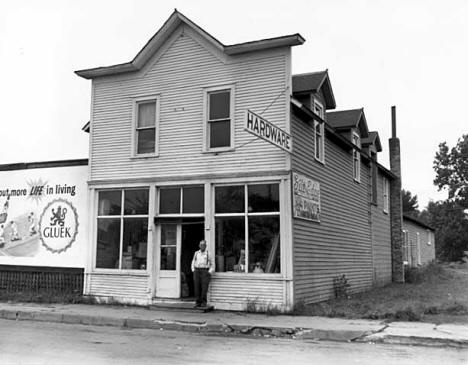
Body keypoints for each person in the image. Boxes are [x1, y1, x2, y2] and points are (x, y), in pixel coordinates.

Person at [191, 240, 214, 308]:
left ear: (205, 246)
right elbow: (193, 262)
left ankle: (204, 302)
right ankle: (197, 302)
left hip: (205, 270)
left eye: (203, 245)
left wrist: (209, 272)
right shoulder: (196, 253)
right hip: (197, 270)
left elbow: (212, 264)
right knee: (197, 287)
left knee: (204, 287)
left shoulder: (208, 254)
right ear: (199, 246)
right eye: (201, 245)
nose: (202, 246)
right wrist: (193, 270)